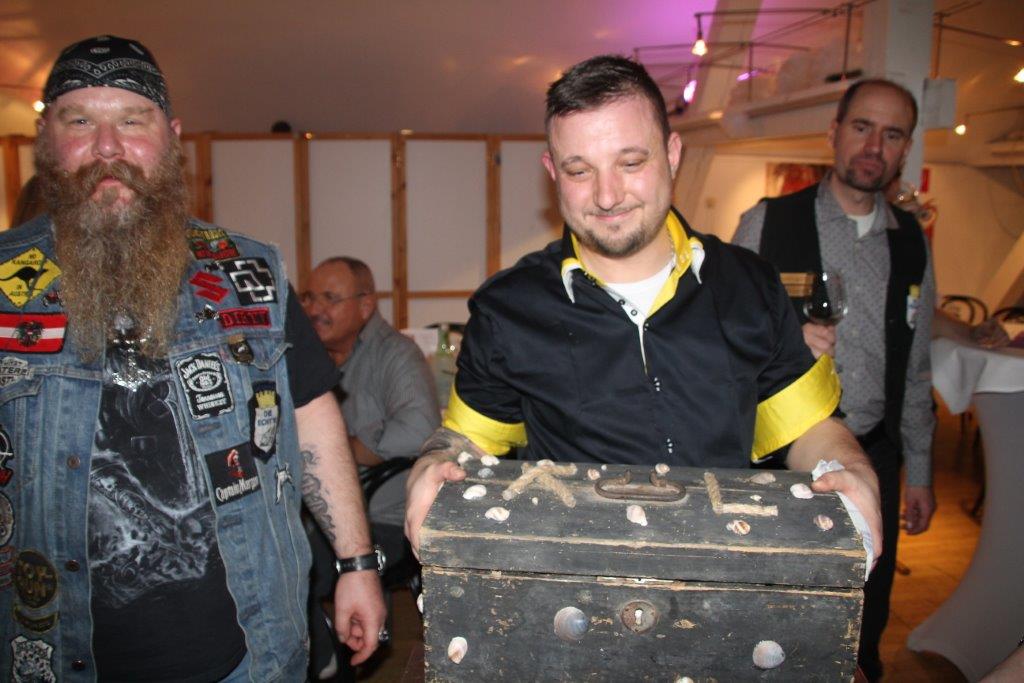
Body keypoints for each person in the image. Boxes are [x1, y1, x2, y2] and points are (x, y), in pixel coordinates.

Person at [404, 54, 882, 587]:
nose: (607, 196)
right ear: (552, 172)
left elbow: (807, 426)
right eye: (579, 171)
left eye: (631, 163)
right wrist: (433, 461)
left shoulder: (750, 285)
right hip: (571, 587)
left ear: (673, 154)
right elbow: (468, 439)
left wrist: (851, 467)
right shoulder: (507, 308)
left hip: (725, 579)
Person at [0, 35, 385, 681]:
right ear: (47, 139)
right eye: (80, 121)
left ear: (171, 137)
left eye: (132, 121)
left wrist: (357, 564)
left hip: (248, 651)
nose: (108, 148)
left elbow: (311, 416)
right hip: (52, 653)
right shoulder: (4, 282)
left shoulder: (250, 274)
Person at [731, 78, 936, 681]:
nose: (874, 146)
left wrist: (921, 473)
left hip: (874, 457)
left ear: (905, 149)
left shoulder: (911, 242)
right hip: (783, 461)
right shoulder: (768, 222)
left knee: (865, 619)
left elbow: (916, 364)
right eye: (862, 127)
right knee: (775, 620)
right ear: (834, 133)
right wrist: (778, 343)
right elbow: (718, 340)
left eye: (892, 135)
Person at [302, 257, 438, 673]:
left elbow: (419, 428)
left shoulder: (395, 353)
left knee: (298, 566)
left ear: (365, 306)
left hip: (383, 515)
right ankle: (316, 649)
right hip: (313, 511)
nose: (314, 309)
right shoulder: (307, 356)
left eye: (330, 298)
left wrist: (340, 450)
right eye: (308, 297)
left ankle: (325, 658)